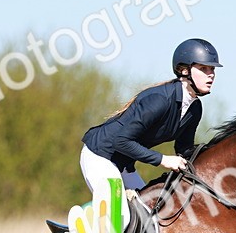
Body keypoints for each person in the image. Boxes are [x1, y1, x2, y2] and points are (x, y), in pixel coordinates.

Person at [80, 38, 220, 202]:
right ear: (184, 70)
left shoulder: (195, 109)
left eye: (212, 69)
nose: (211, 74)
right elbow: (121, 141)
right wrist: (163, 160)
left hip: (125, 164)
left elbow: (184, 149)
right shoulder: (159, 100)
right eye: (204, 68)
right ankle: (74, 229)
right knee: (120, 213)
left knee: (149, 208)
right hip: (100, 156)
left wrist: (210, 163)